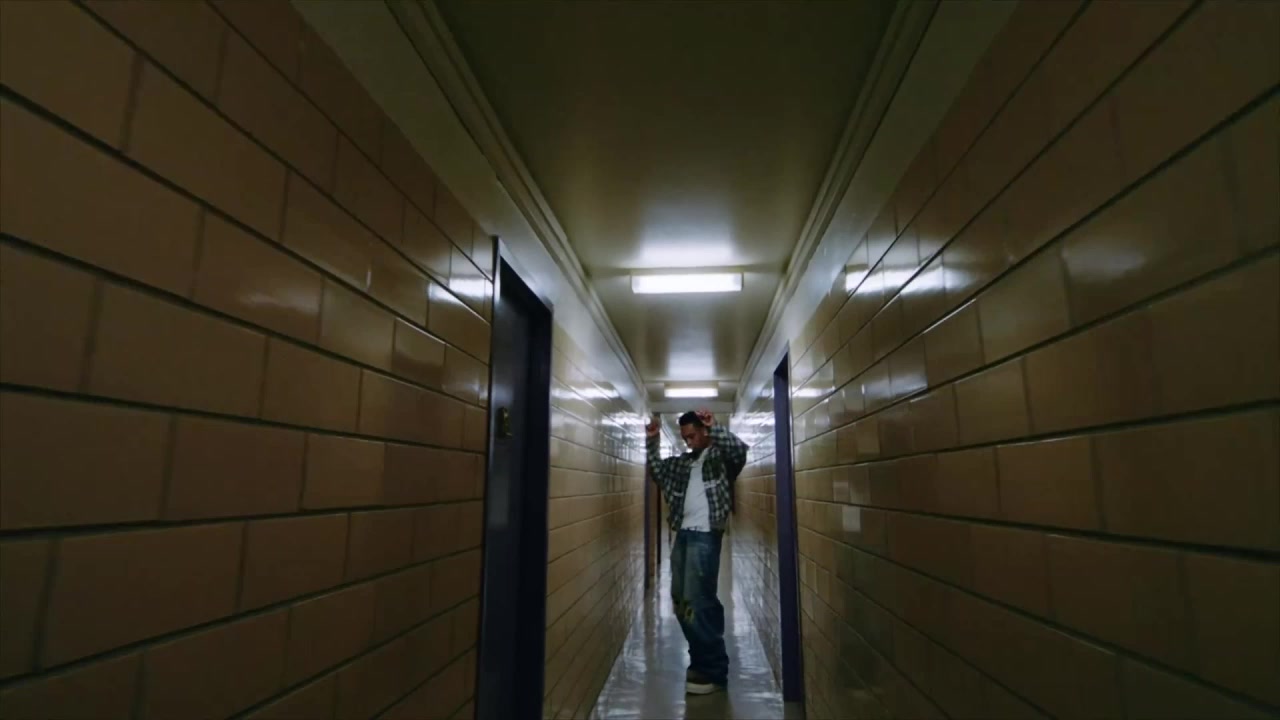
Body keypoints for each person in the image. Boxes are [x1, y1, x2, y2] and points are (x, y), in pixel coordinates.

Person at [646, 408, 749, 695]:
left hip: (705, 536)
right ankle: (701, 657)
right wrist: (653, 441)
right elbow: (657, 471)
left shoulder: (721, 459)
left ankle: (713, 670)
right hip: (683, 535)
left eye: (692, 436)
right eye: (684, 438)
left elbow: (739, 450)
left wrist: (714, 426)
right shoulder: (683, 464)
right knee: (681, 600)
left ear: (704, 431)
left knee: (698, 600)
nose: (688, 442)